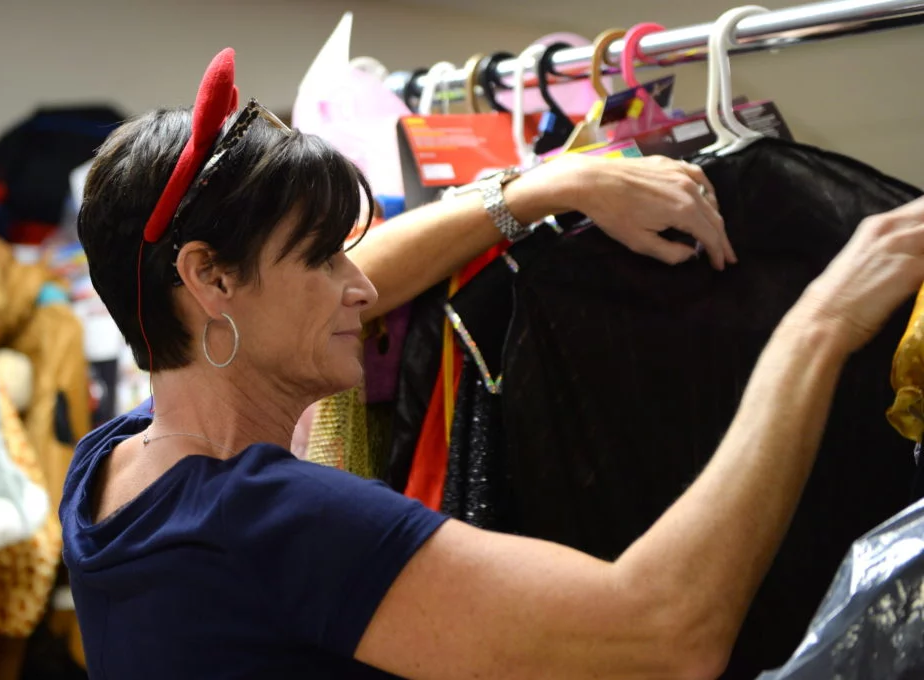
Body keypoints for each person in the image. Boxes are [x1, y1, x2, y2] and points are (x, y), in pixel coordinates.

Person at [61, 51, 924, 680]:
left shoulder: (110, 468)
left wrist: (540, 187)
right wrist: (820, 325)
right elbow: (664, 631)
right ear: (210, 278)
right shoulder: (277, 521)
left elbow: (364, 272)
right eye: (324, 259)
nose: (363, 288)